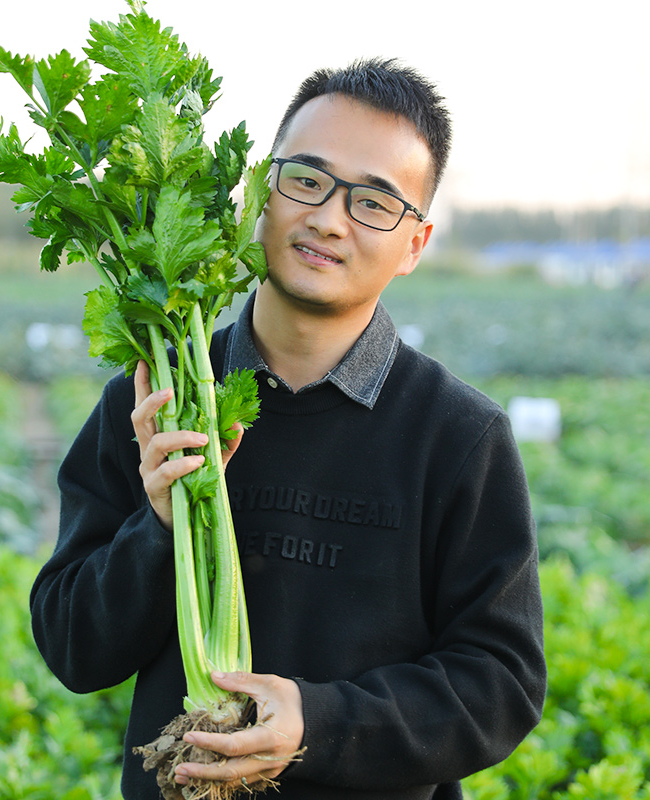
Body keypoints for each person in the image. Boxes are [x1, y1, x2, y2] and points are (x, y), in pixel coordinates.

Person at [30, 57, 547, 799]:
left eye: (374, 202)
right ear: (257, 196)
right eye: (307, 180)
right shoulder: (154, 399)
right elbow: (73, 648)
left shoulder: (457, 437)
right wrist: (156, 526)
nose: (329, 218)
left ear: (414, 245)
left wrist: (320, 723)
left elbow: (500, 685)